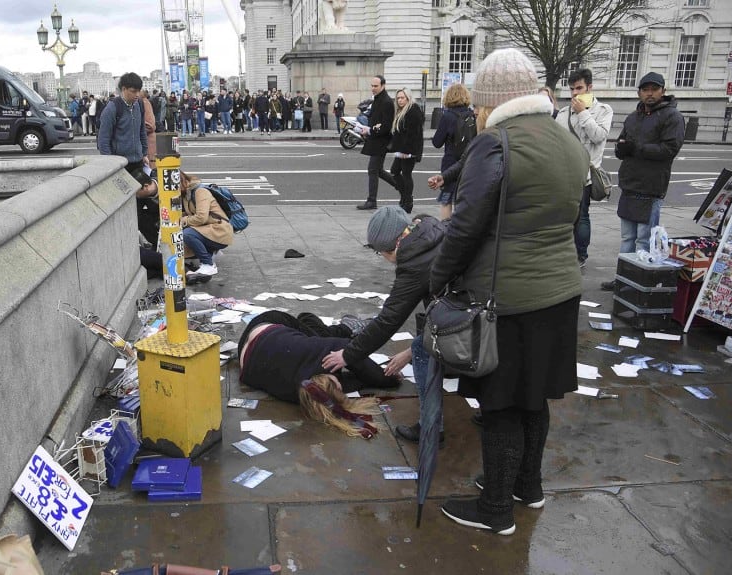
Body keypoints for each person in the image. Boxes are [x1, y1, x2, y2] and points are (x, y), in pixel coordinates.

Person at [429, 48, 588, 536]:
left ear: (491, 102)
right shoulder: (564, 139)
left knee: (500, 403)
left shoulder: (495, 143)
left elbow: (465, 226)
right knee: (534, 396)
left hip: (508, 298)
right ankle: (527, 487)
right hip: (560, 291)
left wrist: (437, 279)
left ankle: (496, 509)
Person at [321, 207, 445, 442]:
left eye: (381, 253)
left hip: (469, 317)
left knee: (422, 353)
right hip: (481, 306)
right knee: (419, 346)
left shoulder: (414, 262)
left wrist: (347, 355)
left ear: (394, 245)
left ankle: (431, 428)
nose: (385, 259)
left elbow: (388, 320)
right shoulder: (431, 229)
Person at [239, 310, 399, 438]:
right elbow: (356, 381)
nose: (341, 383)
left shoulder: (320, 352)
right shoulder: (302, 393)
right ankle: (346, 327)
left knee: (308, 319)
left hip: (268, 323)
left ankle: (346, 328)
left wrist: (388, 378)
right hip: (246, 354)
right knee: (318, 333)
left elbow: (353, 354)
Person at [600, 71, 685, 291]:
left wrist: (637, 148)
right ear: (639, 92)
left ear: (663, 91)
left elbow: (670, 149)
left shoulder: (672, 117)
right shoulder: (633, 116)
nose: (649, 94)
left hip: (651, 187)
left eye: (654, 89)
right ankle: (623, 279)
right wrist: (621, 148)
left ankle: (636, 282)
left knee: (643, 239)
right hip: (630, 184)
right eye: (645, 89)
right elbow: (622, 143)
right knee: (627, 237)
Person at [555, 68, 613, 268]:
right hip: (564, 174)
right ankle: (563, 252)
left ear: (590, 87)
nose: (574, 93)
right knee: (562, 216)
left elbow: (598, 136)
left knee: (581, 216)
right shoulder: (563, 113)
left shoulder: (604, 110)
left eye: (579, 88)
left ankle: (580, 255)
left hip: (586, 174)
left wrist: (583, 113)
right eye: (571, 89)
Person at [430, 84, 475, 220]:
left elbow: (437, 142)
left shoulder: (447, 116)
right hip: (469, 161)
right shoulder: (472, 115)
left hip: (450, 162)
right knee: (464, 198)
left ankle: (446, 229)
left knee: (446, 199)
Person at [179, 171, 233, 277]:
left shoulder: (200, 191)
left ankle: (208, 264)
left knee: (188, 234)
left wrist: (183, 220)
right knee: (185, 233)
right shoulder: (187, 194)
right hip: (209, 229)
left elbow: (201, 217)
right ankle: (210, 255)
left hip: (220, 230)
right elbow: (191, 212)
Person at [97, 73, 149, 174]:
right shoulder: (112, 108)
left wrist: (144, 154)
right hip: (119, 163)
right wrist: (110, 163)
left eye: (139, 91)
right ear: (124, 89)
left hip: (138, 161)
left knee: (147, 188)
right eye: (133, 91)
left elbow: (142, 131)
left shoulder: (139, 105)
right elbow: (103, 139)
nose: (137, 95)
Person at [356, 75, 395, 210]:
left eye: (375, 86)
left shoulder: (387, 102)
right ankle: (401, 186)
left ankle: (372, 200)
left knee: (373, 170)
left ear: (383, 86)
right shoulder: (378, 99)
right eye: (372, 86)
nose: (373, 88)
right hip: (375, 140)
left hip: (381, 141)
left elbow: (385, 126)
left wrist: (370, 130)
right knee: (378, 170)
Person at [386, 89, 424, 213]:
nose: (400, 100)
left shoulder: (413, 111)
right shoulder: (401, 111)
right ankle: (405, 197)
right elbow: (399, 133)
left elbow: (413, 134)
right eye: (398, 98)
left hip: (409, 150)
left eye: (402, 98)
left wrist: (406, 151)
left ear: (408, 98)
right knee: (395, 172)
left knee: (406, 174)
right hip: (402, 149)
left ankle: (408, 201)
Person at [141, 90, 157, 168]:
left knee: (150, 168)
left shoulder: (144, 103)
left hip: (148, 141)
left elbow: (150, 125)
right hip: (148, 141)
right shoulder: (144, 102)